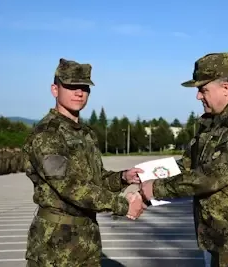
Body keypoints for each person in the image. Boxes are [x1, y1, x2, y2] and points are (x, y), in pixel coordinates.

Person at [140, 53, 228, 267]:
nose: (198, 97)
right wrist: (139, 180)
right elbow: (185, 166)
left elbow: (211, 176)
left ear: (225, 87)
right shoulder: (214, 125)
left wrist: (156, 189)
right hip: (221, 239)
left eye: (203, 90)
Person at [22, 58, 146, 267]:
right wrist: (123, 205)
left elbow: (94, 180)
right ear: (55, 89)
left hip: (86, 238)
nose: (79, 92)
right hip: (55, 244)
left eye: (84, 87)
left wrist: (123, 177)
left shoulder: (85, 134)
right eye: (71, 86)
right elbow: (70, 186)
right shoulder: (48, 135)